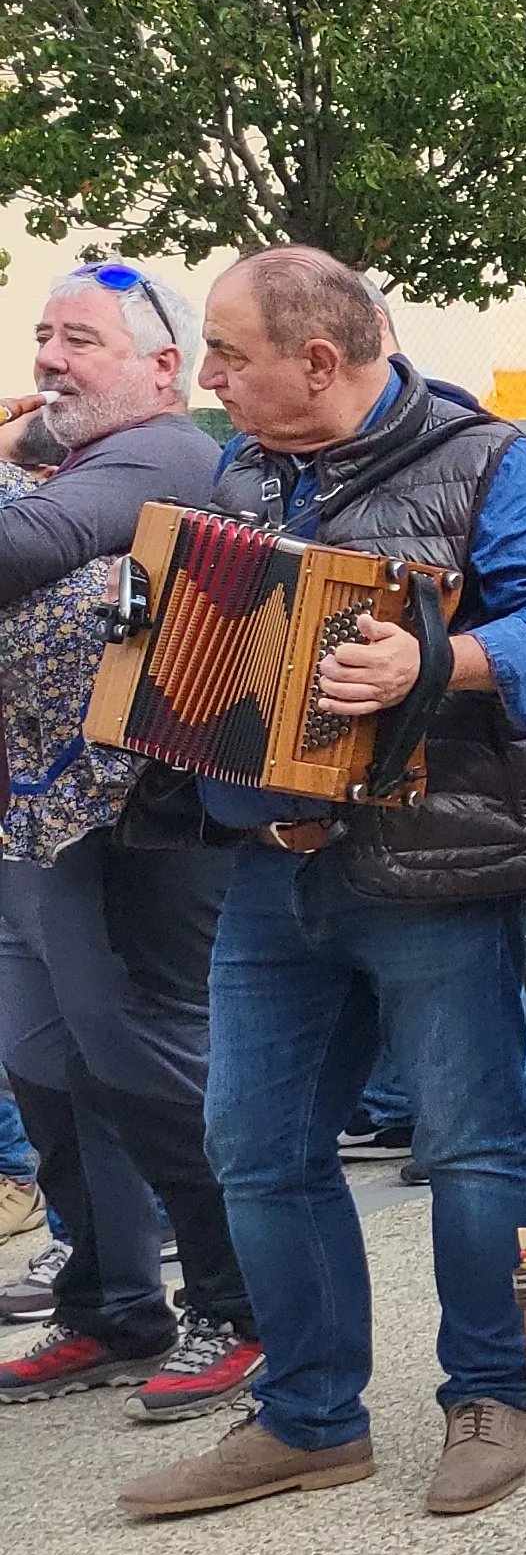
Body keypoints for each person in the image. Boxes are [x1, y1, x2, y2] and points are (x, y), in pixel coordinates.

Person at [118, 247, 526, 1521]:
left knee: (469, 1144)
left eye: (229, 356)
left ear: (318, 362)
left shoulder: (489, 460)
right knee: (257, 1150)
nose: (212, 378)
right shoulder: (243, 471)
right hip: (270, 868)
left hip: (438, 865)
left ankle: (491, 1394)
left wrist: (431, 659)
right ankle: (308, 1417)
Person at [0, 264, 259, 1424]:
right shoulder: (62, 460)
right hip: (30, 813)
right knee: (48, 1060)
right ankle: (110, 1301)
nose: (51, 358)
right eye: (44, 336)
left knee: (146, 1056)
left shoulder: (160, 450)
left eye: (81, 340)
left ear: (160, 369)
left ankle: (240, 1303)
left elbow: (26, 545)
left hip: (136, 819)